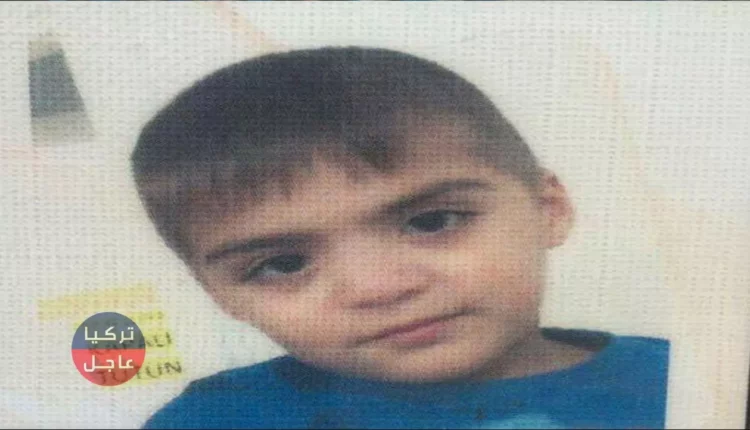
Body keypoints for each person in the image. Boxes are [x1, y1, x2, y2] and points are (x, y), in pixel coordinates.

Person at [131, 47, 669, 429]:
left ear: (548, 209)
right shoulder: (218, 419)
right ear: (218, 295)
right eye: (283, 264)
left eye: (433, 222)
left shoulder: (683, 379)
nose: (381, 288)